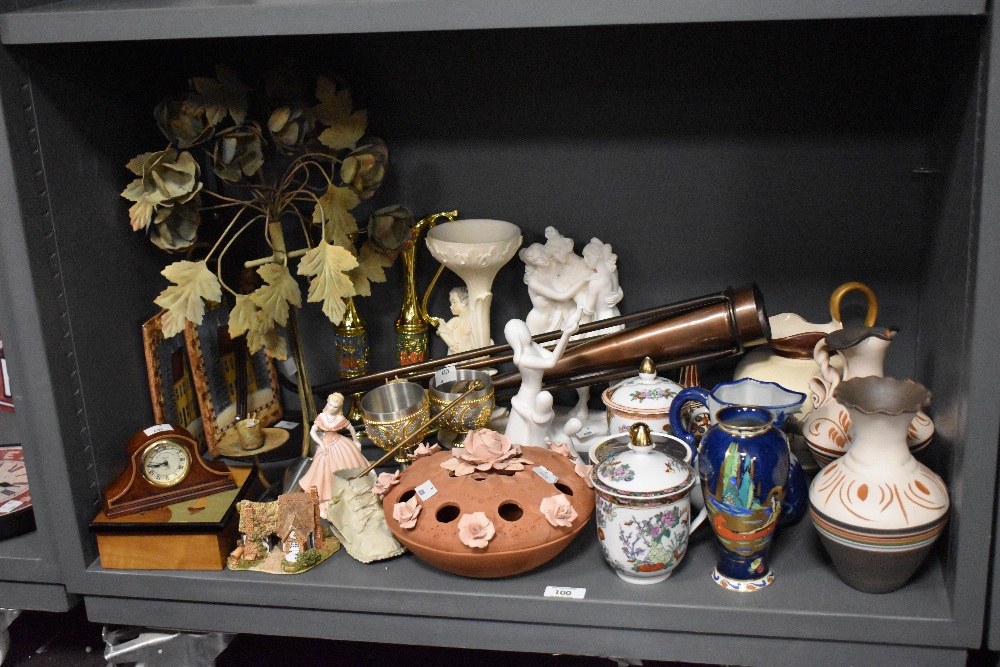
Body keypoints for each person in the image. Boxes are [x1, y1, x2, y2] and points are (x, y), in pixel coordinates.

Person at [503, 310, 580, 445]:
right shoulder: (522, 358)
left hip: (537, 391)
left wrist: (566, 335)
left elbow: (553, 357)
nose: (526, 331)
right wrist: (566, 335)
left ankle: (540, 448)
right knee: (527, 430)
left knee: (541, 426)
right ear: (515, 337)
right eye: (522, 330)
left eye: (525, 328)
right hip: (527, 395)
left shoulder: (532, 346)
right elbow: (550, 363)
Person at [300, 393, 368, 517]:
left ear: (339, 407)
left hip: (339, 445)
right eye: (330, 405)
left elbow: (351, 428)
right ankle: (326, 498)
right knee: (322, 472)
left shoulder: (339, 419)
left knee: (345, 468)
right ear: (327, 403)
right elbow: (312, 431)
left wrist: (356, 441)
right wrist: (321, 444)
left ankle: (345, 497)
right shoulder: (322, 417)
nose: (332, 408)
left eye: (335, 407)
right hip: (325, 447)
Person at [436, 287, 475, 355]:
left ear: (464, 302)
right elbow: (440, 331)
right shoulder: (454, 321)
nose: (451, 306)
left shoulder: (474, 321)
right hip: (453, 361)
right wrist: (450, 342)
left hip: (468, 360)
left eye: (454, 302)